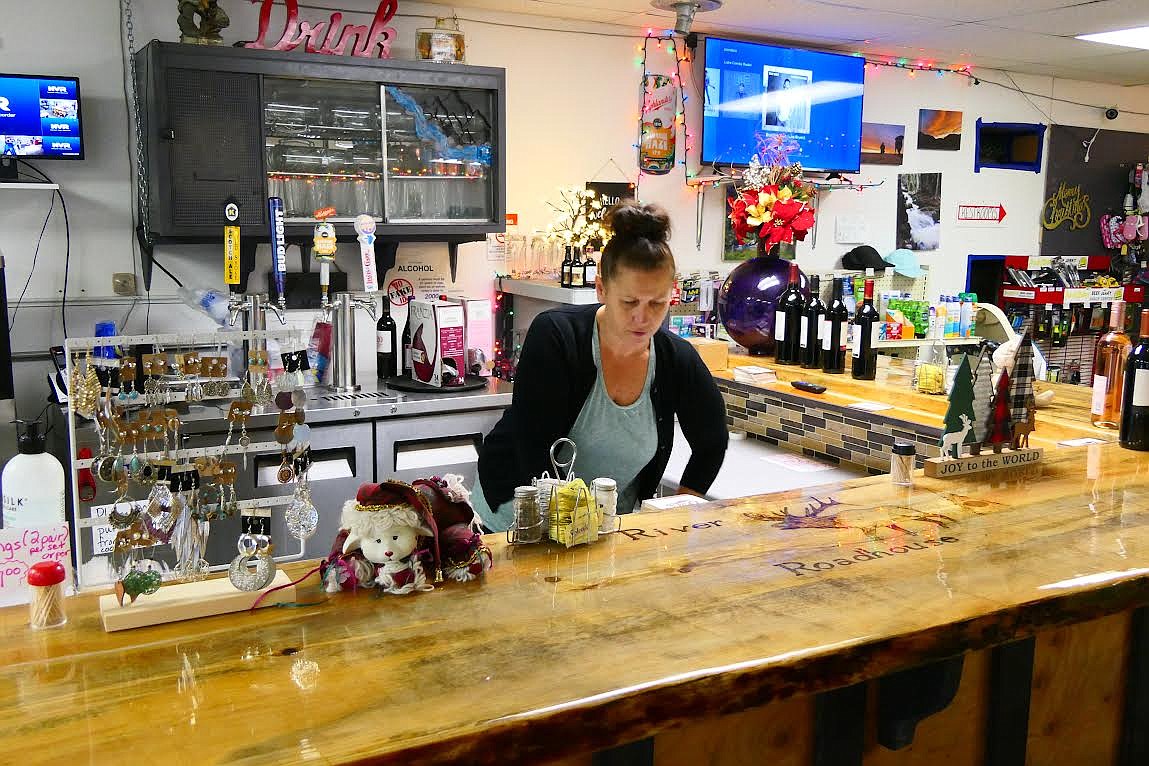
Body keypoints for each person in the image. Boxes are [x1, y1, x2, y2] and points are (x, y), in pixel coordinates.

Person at [473, 202, 728, 531]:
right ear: (601, 288)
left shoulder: (677, 359)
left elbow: (712, 443)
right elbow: (532, 447)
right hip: (515, 519)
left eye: (657, 303)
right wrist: (572, 527)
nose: (643, 317)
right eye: (630, 302)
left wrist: (676, 513)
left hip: (604, 529)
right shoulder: (557, 336)